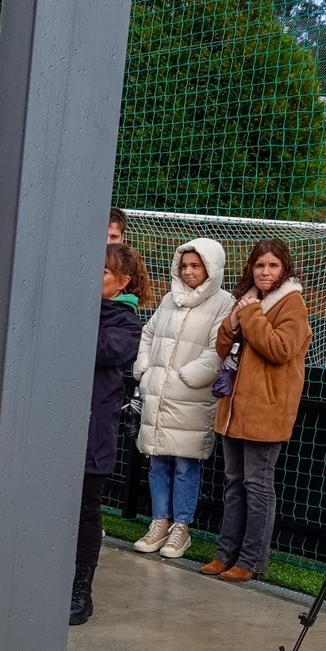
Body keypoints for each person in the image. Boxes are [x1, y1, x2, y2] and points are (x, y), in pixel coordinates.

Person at [201, 239, 311, 583]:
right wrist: (233, 320)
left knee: (258, 485)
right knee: (234, 482)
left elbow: (280, 349)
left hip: (266, 410)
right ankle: (225, 554)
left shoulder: (292, 304)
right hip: (234, 408)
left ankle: (251, 560)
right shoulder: (248, 300)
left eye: (273, 265)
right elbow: (224, 347)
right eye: (260, 265)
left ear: (284, 269)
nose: (265, 272)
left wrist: (249, 315)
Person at [132, 239, 232, 559]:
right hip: (159, 394)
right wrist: (145, 367)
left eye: (196, 266)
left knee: (186, 464)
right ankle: (159, 521)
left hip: (192, 397)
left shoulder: (224, 303)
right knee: (157, 461)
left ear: (211, 268)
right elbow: (148, 334)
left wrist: (185, 378)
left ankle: (182, 527)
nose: (189, 272)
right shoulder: (169, 299)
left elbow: (218, 349)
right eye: (184, 266)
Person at [71, 243, 147, 625]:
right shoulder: (76, 309)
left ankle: (80, 591)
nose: (91, 277)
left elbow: (100, 350)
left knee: (85, 509)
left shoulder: (126, 322)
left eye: (102, 271)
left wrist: (71, 317)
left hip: (92, 430)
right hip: (57, 425)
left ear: (123, 281)